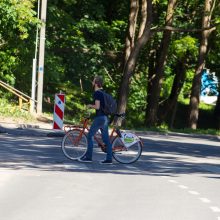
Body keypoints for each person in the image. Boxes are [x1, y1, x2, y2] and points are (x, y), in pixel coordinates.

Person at [78, 75, 113, 164]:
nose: (92, 83)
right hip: (104, 118)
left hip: (100, 118)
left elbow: (97, 107)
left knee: (90, 136)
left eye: (93, 81)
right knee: (106, 139)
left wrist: (90, 105)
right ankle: (109, 159)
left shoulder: (97, 93)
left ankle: (89, 157)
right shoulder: (102, 92)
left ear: (96, 83)